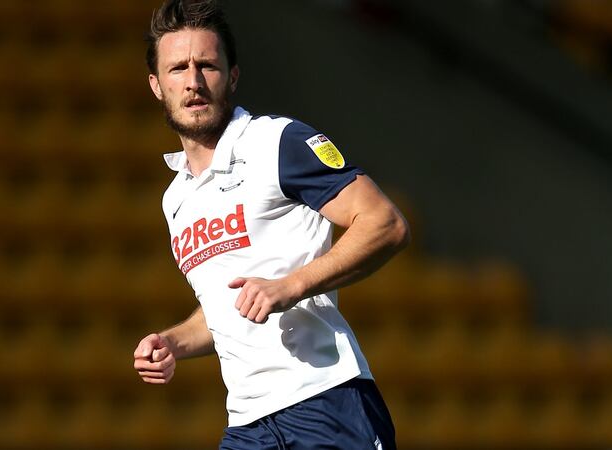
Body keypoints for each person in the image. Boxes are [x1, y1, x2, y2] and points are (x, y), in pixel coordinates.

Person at [132, 1, 410, 448]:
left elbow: (385, 223)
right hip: (249, 424)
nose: (193, 81)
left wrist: (292, 285)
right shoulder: (176, 199)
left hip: (325, 401)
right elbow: (226, 308)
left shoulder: (277, 142)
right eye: (177, 69)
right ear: (156, 86)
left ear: (233, 76)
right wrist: (174, 342)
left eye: (207, 65)